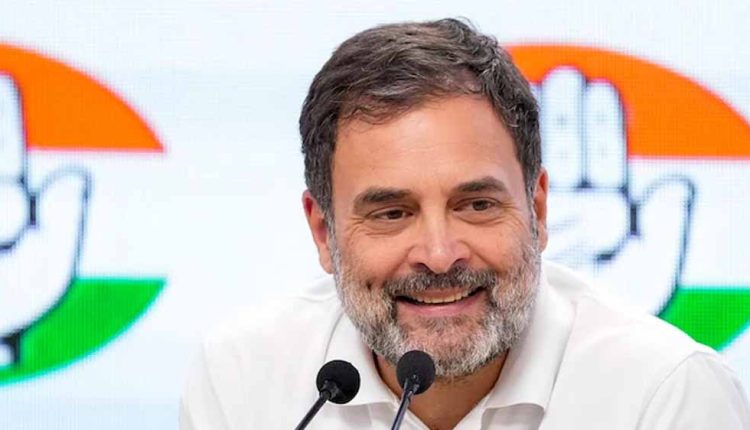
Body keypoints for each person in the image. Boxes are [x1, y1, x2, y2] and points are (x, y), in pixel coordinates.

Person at [179, 18, 750, 429]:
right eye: (392, 213)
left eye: (476, 205)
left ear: (538, 210)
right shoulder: (242, 377)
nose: (439, 253)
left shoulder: (666, 392)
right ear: (324, 233)